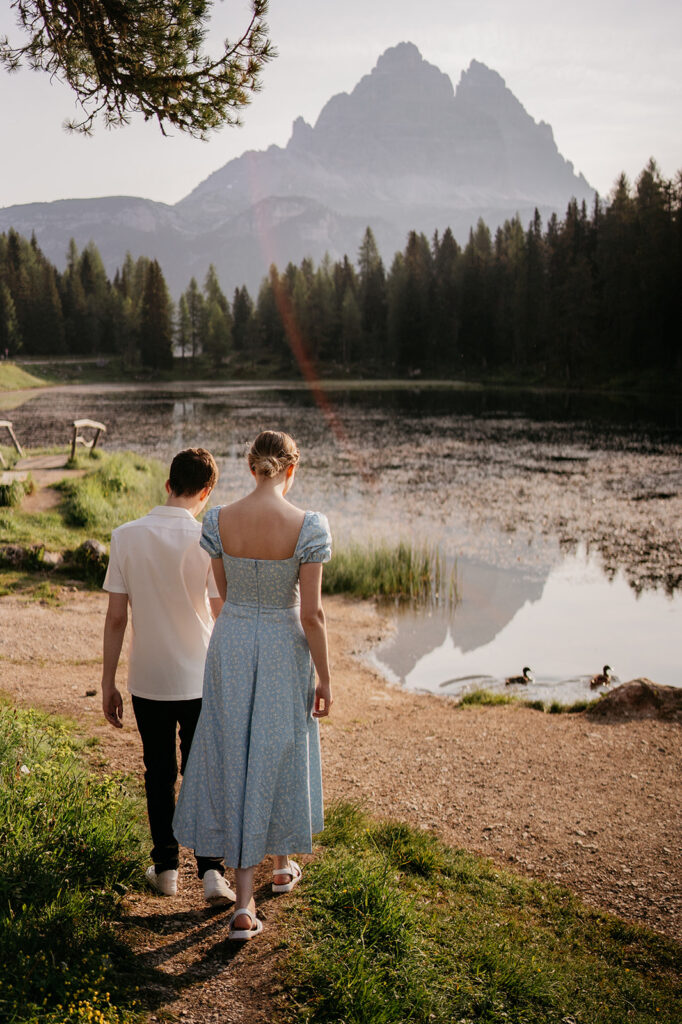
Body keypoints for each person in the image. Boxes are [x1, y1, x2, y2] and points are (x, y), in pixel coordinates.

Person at [173, 430, 332, 939]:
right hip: (284, 643)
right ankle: (277, 871)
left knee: (237, 751)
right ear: (291, 469)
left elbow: (224, 592)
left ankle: (247, 899)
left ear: (250, 467)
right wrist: (326, 675)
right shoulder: (308, 526)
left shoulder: (219, 519)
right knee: (279, 745)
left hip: (234, 637)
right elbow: (313, 614)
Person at [100, 447, 235, 904]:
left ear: (168, 483)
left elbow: (116, 618)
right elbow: (221, 614)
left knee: (159, 771)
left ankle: (166, 869)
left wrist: (107, 681)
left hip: (148, 677)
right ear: (207, 491)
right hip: (200, 676)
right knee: (204, 772)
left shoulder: (125, 536)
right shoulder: (207, 539)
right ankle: (213, 872)